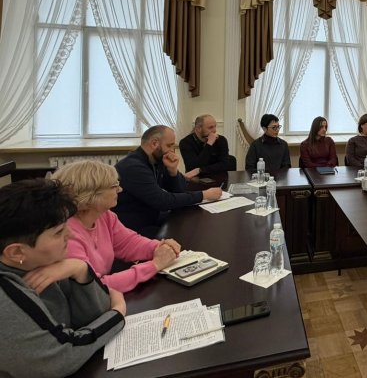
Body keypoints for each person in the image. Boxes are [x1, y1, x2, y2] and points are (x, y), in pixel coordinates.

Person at [0, 179, 126, 378]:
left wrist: (80, 270)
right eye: (59, 232)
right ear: (16, 252)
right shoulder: (5, 297)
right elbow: (57, 359)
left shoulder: (43, 261)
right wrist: (118, 313)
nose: (72, 235)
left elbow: (93, 316)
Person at [53, 160, 182, 293]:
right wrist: (154, 265)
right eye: (114, 185)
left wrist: (159, 247)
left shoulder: (105, 215)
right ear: (90, 196)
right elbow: (97, 287)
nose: (120, 189)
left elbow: (128, 243)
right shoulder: (65, 234)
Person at [114, 125, 222, 237]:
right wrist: (203, 195)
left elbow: (181, 190)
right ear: (154, 143)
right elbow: (162, 201)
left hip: (151, 217)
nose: (171, 150)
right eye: (169, 145)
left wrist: (173, 171)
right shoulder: (134, 166)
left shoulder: (157, 160)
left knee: (195, 224)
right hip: (133, 229)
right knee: (188, 234)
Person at [179, 114, 236, 178]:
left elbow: (225, 165)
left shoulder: (221, 140)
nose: (215, 130)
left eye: (215, 126)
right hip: (196, 179)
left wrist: (201, 170)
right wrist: (209, 144)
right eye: (210, 127)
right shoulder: (185, 143)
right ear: (198, 128)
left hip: (218, 177)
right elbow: (192, 168)